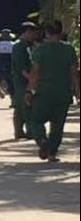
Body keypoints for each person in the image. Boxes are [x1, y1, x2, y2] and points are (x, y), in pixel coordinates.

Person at [26, 21, 80, 162]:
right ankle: (52, 153)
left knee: (36, 121)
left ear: (47, 33)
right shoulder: (69, 49)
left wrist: (29, 90)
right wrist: (77, 93)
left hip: (43, 92)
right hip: (63, 93)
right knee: (57, 125)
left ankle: (42, 141)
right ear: (61, 32)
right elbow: (74, 73)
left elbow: (35, 72)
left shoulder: (41, 50)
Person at [10, 21, 42, 140]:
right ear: (27, 32)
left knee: (20, 106)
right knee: (26, 105)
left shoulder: (29, 46)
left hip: (26, 80)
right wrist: (32, 80)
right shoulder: (19, 46)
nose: (34, 36)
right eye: (33, 33)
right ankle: (30, 130)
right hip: (22, 81)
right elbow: (21, 67)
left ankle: (19, 131)